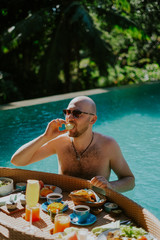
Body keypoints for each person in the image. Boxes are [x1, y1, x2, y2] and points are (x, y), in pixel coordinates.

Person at [11, 96, 135, 192]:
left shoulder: (108, 145)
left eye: (76, 113)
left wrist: (110, 186)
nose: (69, 117)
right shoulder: (59, 142)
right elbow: (17, 161)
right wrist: (45, 137)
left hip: (96, 207)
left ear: (92, 119)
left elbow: (130, 181)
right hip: (62, 204)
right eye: (67, 112)